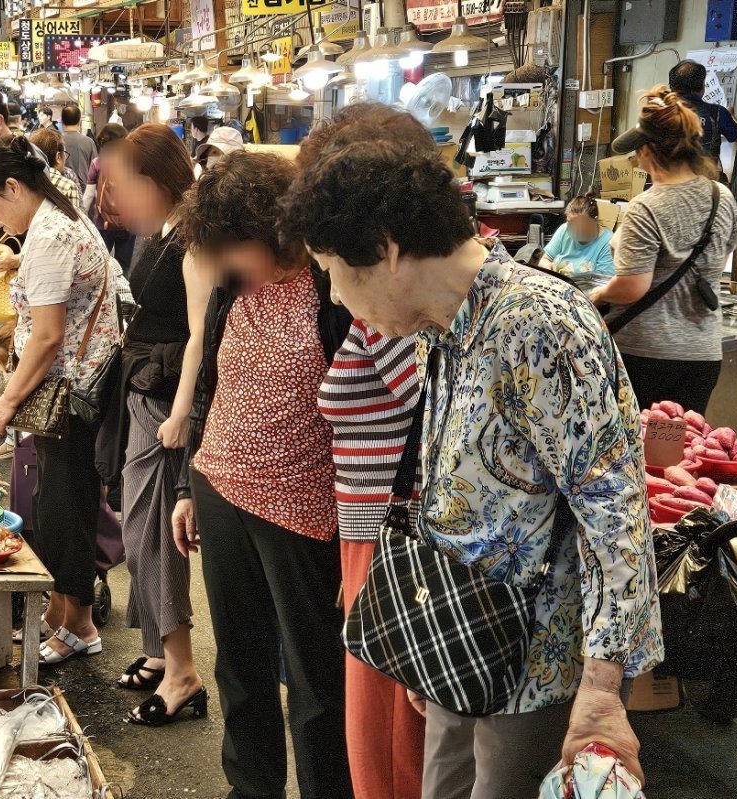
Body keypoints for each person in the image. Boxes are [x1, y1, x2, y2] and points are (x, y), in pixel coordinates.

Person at [282, 102, 662, 799]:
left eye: (334, 269)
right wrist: (434, 643)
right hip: (465, 648)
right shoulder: (447, 324)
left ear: (386, 247)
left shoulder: (537, 322)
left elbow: (618, 513)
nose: (337, 294)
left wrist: (605, 685)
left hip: (533, 666)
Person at [174, 151, 354, 799]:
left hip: (304, 508)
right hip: (220, 488)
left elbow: (366, 418)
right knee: (239, 663)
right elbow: (210, 386)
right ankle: (249, 789)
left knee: (315, 678)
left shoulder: (333, 293)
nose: (225, 262)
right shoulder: (233, 287)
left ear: (273, 232)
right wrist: (184, 484)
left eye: (234, 245)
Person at [294, 106, 426, 799]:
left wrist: (380, 560)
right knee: (378, 746)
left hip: (394, 544)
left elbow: (428, 433)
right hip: (370, 534)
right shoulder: (380, 302)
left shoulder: (397, 311)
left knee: (392, 751)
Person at [0, 136, 125, 668]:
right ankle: (60, 613)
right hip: (72, 387)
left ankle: (80, 623)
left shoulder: (52, 235)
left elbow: (47, 335)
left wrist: (5, 403)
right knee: (56, 503)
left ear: (14, 188)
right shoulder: (56, 221)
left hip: (72, 391)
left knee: (69, 505)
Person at [98, 123, 205, 726]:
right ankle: (159, 654)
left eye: (126, 185)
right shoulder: (158, 233)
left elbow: (200, 337)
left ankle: (184, 670)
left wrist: (184, 414)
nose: (119, 200)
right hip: (144, 394)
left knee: (157, 536)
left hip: (166, 405)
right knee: (138, 531)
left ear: (156, 180)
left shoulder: (192, 241)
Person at [590, 85, 737, 413]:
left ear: (648, 150)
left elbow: (632, 287)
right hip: (702, 355)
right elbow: (720, 261)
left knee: (637, 452)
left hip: (645, 355)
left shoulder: (647, 206)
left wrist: (599, 295)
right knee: (680, 451)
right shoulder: (721, 196)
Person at [668, 59, 737, 179]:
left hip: (667, 186)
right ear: (702, 87)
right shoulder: (718, 113)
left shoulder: (659, 114)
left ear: (672, 88)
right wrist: (731, 116)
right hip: (706, 186)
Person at [83, 123, 135, 271]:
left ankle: (106, 292)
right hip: (129, 222)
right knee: (123, 266)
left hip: (103, 222)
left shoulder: (97, 163)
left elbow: (88, 196)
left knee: (102, 266)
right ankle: (122, 292)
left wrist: (82, 218)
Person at [538, 193, 615, 291]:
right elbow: (544, 259)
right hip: (555, 288)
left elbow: (603, 287)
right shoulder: (564, 230)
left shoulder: (607, 242)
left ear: (595, 221)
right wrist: (548, 266)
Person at [30, 128, 81, 193]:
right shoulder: (69, 180)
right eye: (64, 153)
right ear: (58, 157)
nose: (65, 157)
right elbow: (79, 202)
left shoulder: (25, 180)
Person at [60, 104, 96, 186]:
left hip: (60, 188)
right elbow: (95, 170)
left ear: (62, 121)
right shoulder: (89, 142)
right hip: (83, 190)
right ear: (79, 122)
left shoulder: (55, 140)